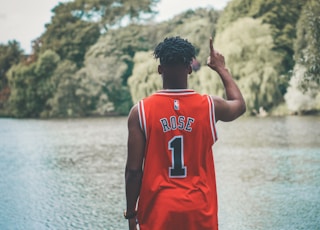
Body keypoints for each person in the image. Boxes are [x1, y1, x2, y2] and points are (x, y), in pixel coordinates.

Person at [124, 36, 246, 230]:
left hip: (158, 212)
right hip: (199, 211)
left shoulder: (140, 112)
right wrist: (221, 68)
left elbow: (133, 172)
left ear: (160, 70)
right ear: (190, 69)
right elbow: (239, 105)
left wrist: (131, 213)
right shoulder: (209, 106)